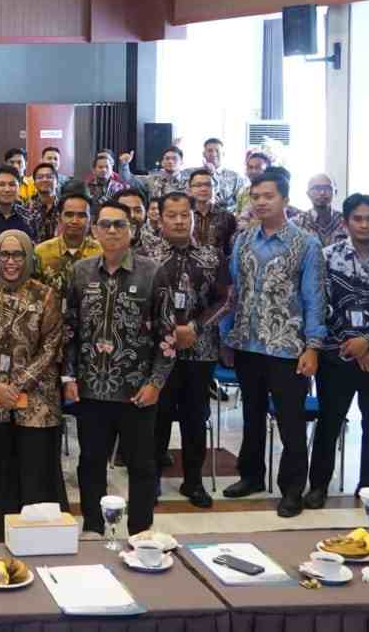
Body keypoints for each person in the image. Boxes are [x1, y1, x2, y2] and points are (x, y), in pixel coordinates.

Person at [220, 169, 327, 517]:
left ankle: (292, 489)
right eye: (256, 196)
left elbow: (314, 298)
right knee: (251, 415)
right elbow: (233, 292)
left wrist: (313, 346)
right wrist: (226, 335)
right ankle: (251, 475)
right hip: (247, 343)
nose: (261, 202)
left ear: (285, 199)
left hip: (287, 347)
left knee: (290, 421)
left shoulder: (306, 244)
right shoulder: (243, 240)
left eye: (269, 196)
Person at [63, 201, 170, 537]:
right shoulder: (80, 272)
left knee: (141, 465)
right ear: (95, 230)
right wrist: (68, 376)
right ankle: (93, 527)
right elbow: (69, 330)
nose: (112, 231)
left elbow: (167, 335)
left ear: (132, 230)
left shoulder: (152, 272)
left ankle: (140, 531)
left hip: (137, 391)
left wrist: (156, 382)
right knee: (90, 462)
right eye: (105, 224)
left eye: (119, 224)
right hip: (91, 389)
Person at [304, 193, 369, 509]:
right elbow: (321, 305)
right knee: (330, 422)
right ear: (346, 223)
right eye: (358, 219)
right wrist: (355, 345)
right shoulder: (327, 257)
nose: (364, 224)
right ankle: (318, 486)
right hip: (336, 356)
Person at [0, 229, 65, 542]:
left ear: (28, 257)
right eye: (4, 255)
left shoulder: (45, 295)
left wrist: (18, 384)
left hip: (36, 399)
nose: (10, 261)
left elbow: (51, 345)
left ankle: (39, 539)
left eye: (17, 255)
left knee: (35, 468)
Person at [148, 192, 231, 508]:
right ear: (160, 218)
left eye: (185, 215)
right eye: (172, 215)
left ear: (194, 217)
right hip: (159, 352)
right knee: (157, 415)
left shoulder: (212, 256)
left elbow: (226, 300)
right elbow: (141, 300)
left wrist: (195, 327)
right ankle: (152, 479)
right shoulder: (146, 254)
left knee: (195, 417)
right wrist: (169, 330)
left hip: (200, 349)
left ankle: (193, 481)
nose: (180, 221)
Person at [33, 192, 102, 300]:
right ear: (59, 218)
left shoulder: (101, 253)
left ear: (90, 220)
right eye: (69, 215)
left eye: (81, 215)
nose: (75, 221)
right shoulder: (41, 252)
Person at [185, 167, 238, 262]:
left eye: (208, 185)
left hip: (219, 267)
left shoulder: (227, 217)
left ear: (214, 188)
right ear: (189, 190)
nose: (203, 189)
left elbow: (231, 250)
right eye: (198, 185)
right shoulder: (184, 215)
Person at [293, 174, 346, 247]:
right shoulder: (297, 223)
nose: (322, 193)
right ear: (308, 194)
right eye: (316, 188)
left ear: (335, 192)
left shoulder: (346, 221)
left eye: (327, 188)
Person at [0, 167, 36, 240]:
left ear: (19, 187)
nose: (7, 189)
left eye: (12, 184)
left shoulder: (29, 217)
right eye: (1, 185)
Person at [201, 138, 245, 210]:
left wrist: (225, 205)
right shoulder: (193, 175)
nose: (214, 154)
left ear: (223, 154)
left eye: (217, 151)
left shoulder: (235, 177)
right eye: (210, 151)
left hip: (227, 215)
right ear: (203, 154)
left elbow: (242, 202)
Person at [233, 152, 271, 219]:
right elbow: (238, 216)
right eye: (250, 167)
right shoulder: (243, 192)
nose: (253, 171)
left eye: (258, 168)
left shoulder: (274, 192)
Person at [29, 163, 61, 242]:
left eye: (49, 177)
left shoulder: (64, 206)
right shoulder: (27, 208)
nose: (44, 180)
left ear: (57, 182)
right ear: (34, 183)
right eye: (40, 177)